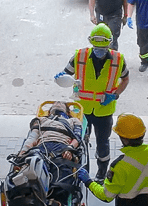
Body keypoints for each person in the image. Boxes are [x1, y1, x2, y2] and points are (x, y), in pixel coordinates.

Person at [54, 23, 129, 184]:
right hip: (82, 111)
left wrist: (115, 95)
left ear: (109, 43)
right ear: (91, 42)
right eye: (96, 46)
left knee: (103, 145)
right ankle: (81, 173)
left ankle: (101, 174)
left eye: (102, 47)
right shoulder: (79, 56)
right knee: (79, 142)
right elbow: (66, 74)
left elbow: (126, 79)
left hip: (104, 111)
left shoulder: (118, 60)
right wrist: (60, 77)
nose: (98, 50)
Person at [19, 101, 83, 183]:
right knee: (32, 171)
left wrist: (70, 148)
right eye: (55, 104)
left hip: (62, 149)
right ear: (49, 112)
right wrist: (22, 154)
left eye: (61, 104)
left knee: (62, 176)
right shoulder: (40, 119)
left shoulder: (74, 121)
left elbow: (77, 138)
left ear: (68, 112)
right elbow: (32, 137)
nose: (58, 103)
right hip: (42, 147)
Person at [127, 0, 148, 72]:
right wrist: (129, 17)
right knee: (142, 44)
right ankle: (144, 62)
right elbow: (131, 3)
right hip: (142, 22)